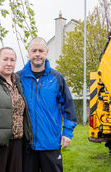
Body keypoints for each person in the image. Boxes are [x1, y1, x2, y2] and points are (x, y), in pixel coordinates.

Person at [17, 37, 77, 172]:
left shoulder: (56, 78)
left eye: (41, 50)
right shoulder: (18, 78)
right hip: (26, 145)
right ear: (29, 52)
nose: (37, 54)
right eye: (34, 50)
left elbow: (68, 107)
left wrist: (67, 132)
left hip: (51, 143)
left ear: (46, 52)